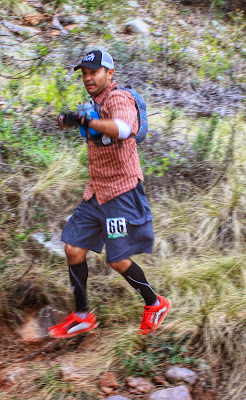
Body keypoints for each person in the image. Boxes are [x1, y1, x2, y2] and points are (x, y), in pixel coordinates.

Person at [48, 49, 170, 338]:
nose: (88, 78)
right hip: (96, 192)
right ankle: (82, 316)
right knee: (73, 248)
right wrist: (71, 120)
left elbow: (123, 128)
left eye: (94, 72)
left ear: (109, 73)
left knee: (117, 258)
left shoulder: (118, 98)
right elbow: (95, 129)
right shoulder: (95, 103)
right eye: (84, 73)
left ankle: (155, 304)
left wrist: (84, 122)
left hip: (121, 194)